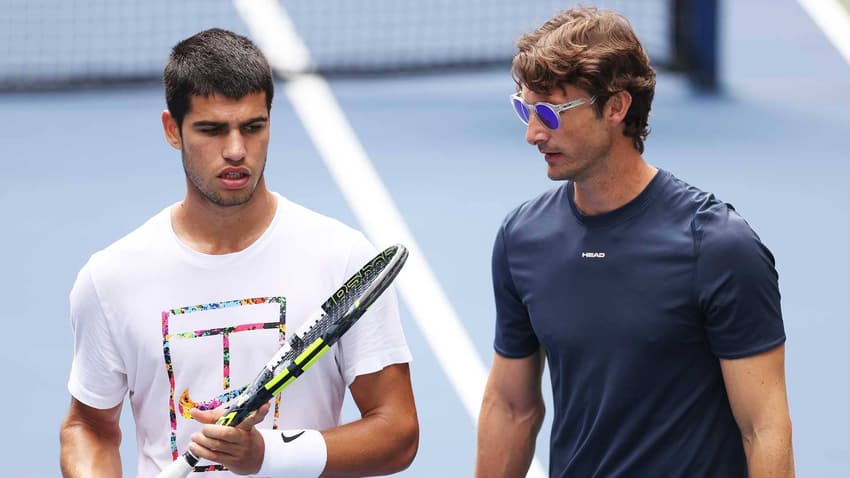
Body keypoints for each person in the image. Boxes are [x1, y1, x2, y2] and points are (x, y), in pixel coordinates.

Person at [59, 28, 418, 477]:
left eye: (253, 127)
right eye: (212, 130)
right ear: (172, 129)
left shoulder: (341, 258)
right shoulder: (110, 280)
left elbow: (397, 432)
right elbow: (88, 427)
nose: (235, 150)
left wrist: (266, 456)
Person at [475, 6, 793, 477]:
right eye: (525, 109)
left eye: (549, 112)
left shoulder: (718, 247)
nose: (532, 133)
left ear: (616, 107)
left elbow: (762, 428)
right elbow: (511, 406)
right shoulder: (522, 238)